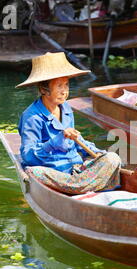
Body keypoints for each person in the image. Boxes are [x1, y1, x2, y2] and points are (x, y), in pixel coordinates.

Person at [16, 52, 121, 194]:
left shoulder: (65, 108)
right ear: (44, 89)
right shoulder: (31, 117)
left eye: (66, 85)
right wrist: (55, 142)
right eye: (59, 86)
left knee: (112, 158)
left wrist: (98, 153)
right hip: (54, 172)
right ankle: (88, 186)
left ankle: (79, 186)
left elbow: (76, 140)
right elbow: (28, 156)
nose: (64, 91)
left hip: (75, 168)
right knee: (34, 172)